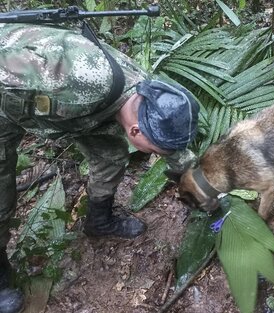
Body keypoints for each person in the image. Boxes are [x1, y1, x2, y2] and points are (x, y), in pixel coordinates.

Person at [0, 22, 199, 313]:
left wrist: (198, 179)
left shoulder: (147, 93)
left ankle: (99, 221)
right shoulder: (76, 82)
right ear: (136, 133)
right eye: (155, 151)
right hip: (7, 96)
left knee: (110, 156)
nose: (156, 155)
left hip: (70, 109)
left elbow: (172, 146)